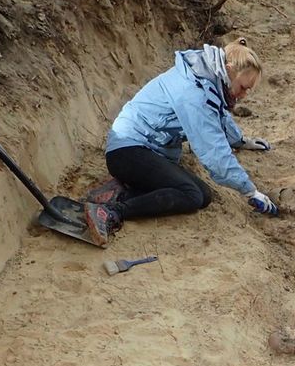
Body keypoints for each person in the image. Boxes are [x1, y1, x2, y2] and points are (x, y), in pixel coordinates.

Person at [82, 37, 278, 245]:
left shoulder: (206, 78)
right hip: (128, 150)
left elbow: (218, 114)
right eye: (244, 87)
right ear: (229, 70)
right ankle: (112, 211)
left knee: (203, 196)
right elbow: (213, 151)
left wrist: (239, 140)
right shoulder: (193, 93)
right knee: (191, 194)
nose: (245, 94)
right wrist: (249, 190)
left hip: (148, 150)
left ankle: (118, 193)